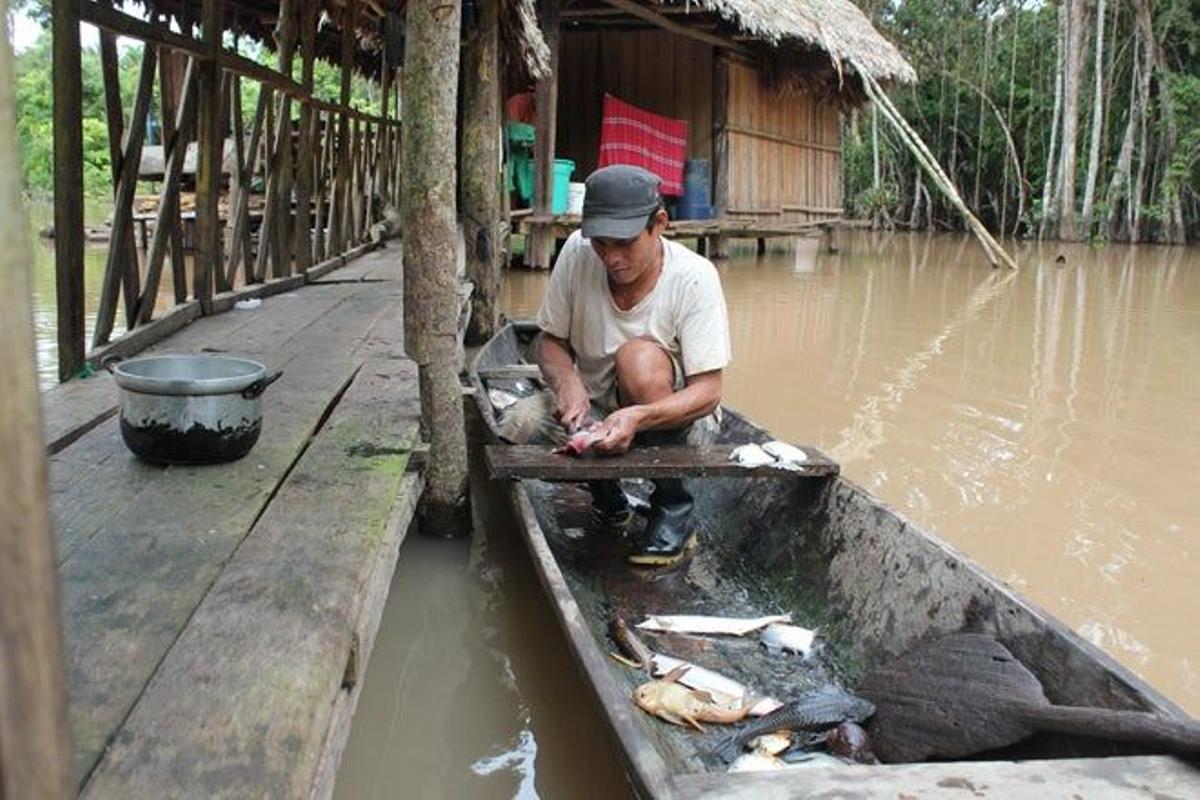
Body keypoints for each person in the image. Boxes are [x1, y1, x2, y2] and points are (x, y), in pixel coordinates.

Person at [501, 165, 732, 566]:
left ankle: (674, 510)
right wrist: (568, 381)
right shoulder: (575, 252)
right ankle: (608, 495)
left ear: (659, 224)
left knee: (638, 361)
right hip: (595, 410)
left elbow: (709, 392)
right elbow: (550, 341)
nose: (611, 257)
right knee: (519, 424)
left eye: (624, 243)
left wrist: (638, 418)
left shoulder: (694, 278)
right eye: (601, 244)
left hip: (673, 422)